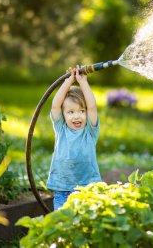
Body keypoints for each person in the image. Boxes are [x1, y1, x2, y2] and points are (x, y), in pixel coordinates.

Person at [47, 65, 101, 211]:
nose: (76, 116)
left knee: (84, 223)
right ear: (64, 115)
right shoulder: (61, 129)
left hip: (86, 188)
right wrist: (68, 82)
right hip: (62, 188)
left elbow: (92, 107)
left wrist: (83, 83)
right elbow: (55, 106)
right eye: (70, 112)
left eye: (81, 111)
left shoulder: (90, 131)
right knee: (62, 222)